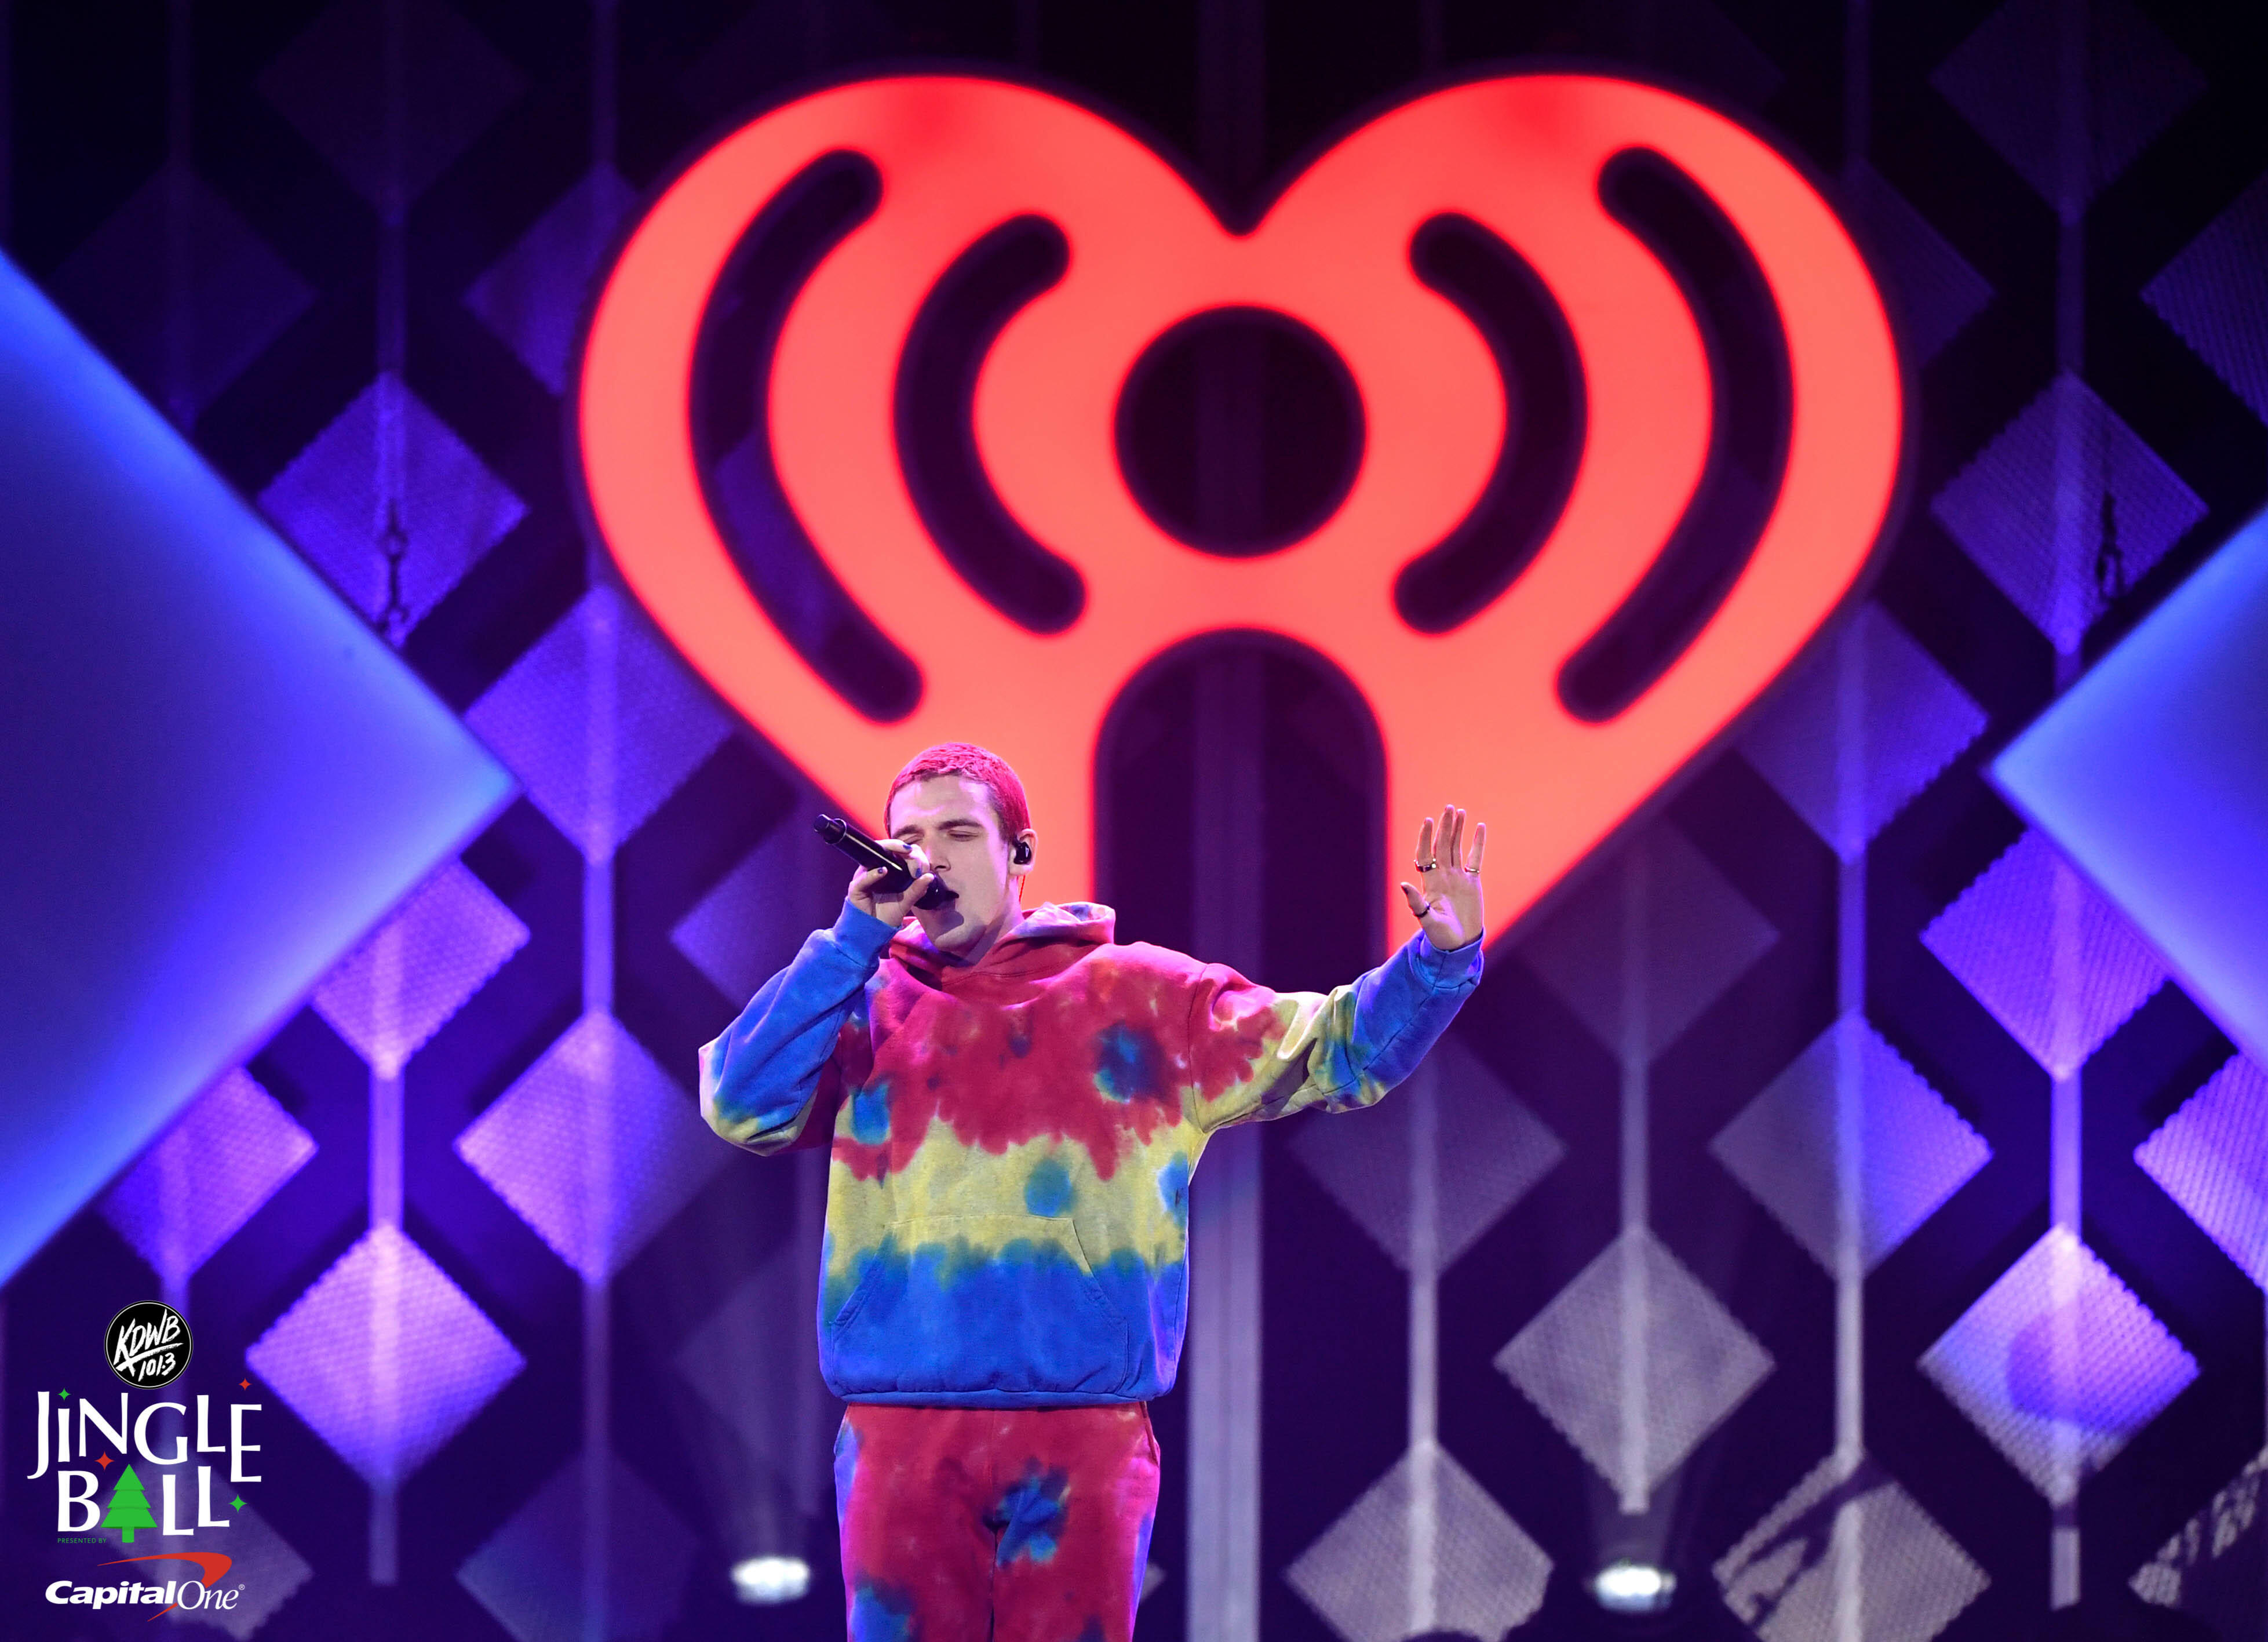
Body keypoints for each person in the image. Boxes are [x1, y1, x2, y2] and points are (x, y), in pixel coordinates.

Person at [700, 742, 1486, 1642]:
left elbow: (1336, 1050)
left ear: (1020, 853)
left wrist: (1440, 957)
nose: (930, 858)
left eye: (959, 832)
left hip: (1082, 1434)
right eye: (908, 836)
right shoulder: (859, 998)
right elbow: (737, 1104)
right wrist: (849, 943)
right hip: (900, 1431)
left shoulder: (1144, 997)